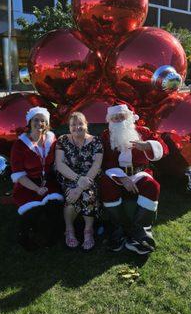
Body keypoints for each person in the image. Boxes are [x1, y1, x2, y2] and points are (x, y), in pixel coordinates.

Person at [98, 104, 169, 255]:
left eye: (121, 116)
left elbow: (164, 148)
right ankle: (117, 230)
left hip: (139, 173)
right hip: (116, 174)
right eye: (114, 118)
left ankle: (140, 233)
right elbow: (105, 162)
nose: (118, 120)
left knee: (152, 186)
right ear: (110, 120)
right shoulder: (106, 135)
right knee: (106, 184)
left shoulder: (143, 132)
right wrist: (122, 178)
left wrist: (148, 145)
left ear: (129, 116)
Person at [10, 106, 64, 250]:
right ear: (29, 122)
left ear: (47, 124)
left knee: (55, 208)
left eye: (43, 121)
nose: (39, 123)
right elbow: (18, 174)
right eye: (36, 120)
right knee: (35, 213)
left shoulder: (52, 140)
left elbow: (59, 162)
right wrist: (36, 188)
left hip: (49, 182)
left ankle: (52, 237)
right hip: (27, 185)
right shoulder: (19, 145)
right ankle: (30, 238)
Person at [55, 112, 103, 251]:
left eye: (80, 123)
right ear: (69, 127)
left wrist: (80, 187)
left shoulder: (96, 141)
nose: (77, 127)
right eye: (73, 124)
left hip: (90, 177)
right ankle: (69, 229)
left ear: (86, 125)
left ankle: (88, 231)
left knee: (87, 194)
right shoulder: (62, 140)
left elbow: (96, 165)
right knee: (71, 195)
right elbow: (60, 164)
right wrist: (77, 180)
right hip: (68, 177)